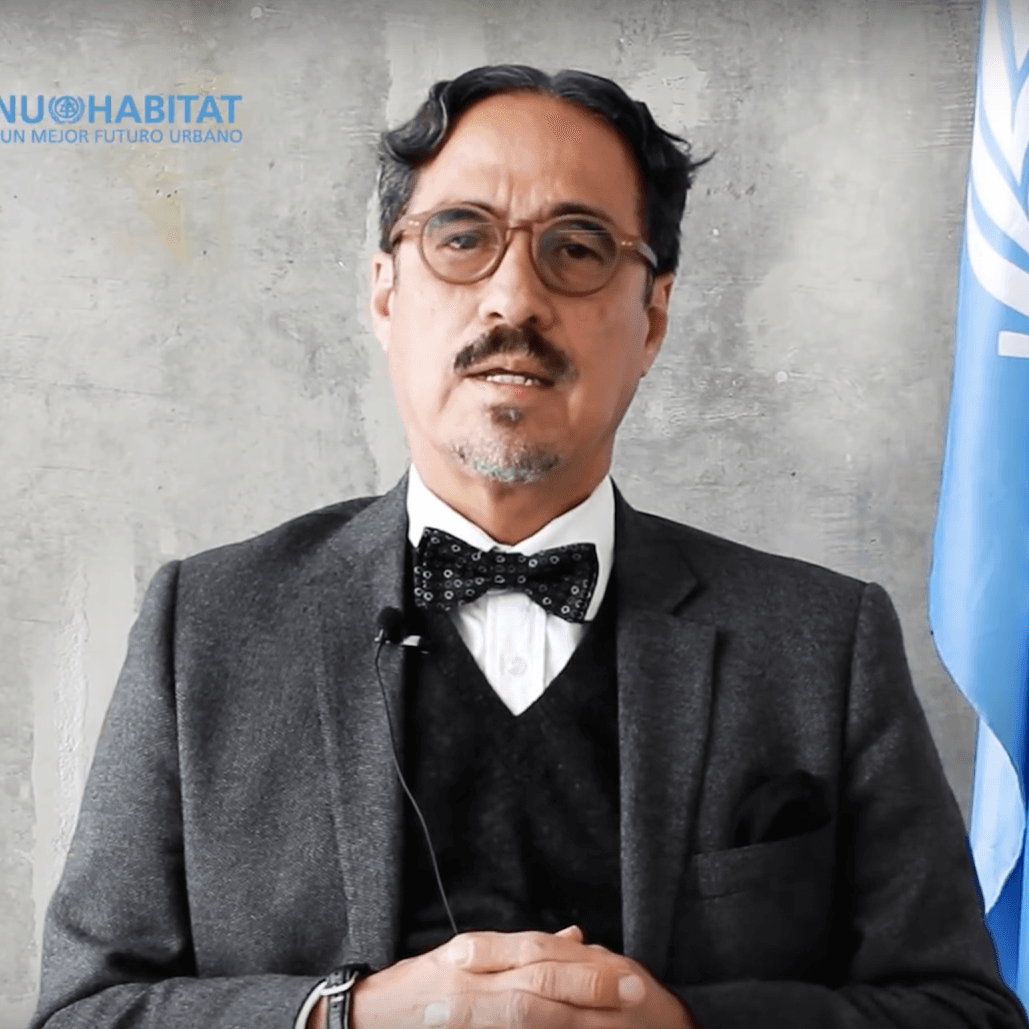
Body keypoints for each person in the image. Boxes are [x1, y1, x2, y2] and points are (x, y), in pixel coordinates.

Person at [30, 64, 1026, 1029]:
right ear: (384, 293)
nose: (513, 299)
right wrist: (341, 1017)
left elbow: (961, 1010)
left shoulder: (823, 641)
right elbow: (84, 1011)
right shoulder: (205, 626)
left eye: (577, 248)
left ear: (653, 316)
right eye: (461, 238)